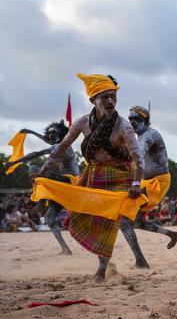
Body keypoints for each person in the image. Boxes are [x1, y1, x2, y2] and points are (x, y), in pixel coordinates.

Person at [36, 73, 146, 282]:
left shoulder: (123, 125)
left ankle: (102, 268)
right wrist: (42, 171)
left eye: (113, 96)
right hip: (94, 175)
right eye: (105, 97)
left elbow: (138, 157)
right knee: (85, 218)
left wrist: (137, 183)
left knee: (108, 221)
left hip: (121, 175)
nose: (111, 101)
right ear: (92, 100)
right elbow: (61, 148)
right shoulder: (82, 123)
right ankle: (106, 263)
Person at [117, 106, 177, 269]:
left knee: (124, 218)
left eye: (137, 119)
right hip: (146, 182)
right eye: (130, 119)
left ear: (145, 121)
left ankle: (141, 262)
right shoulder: (136, 137)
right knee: (137, 222)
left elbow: (140, 151)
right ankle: (172, 234)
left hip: (157, 183)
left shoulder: (149, 135)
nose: (133, 122)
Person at [5, 121, 79, 254]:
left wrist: (15, 161)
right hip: (63, 187)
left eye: (54, 134)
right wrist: (31, 132)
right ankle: (65, 249)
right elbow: (47, 140)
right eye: (49, 134)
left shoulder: (63, 146)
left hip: (71, 183)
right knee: (50, 218)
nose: (50, 136)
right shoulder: (58, 144)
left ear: (61, 135)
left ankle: (40, 198)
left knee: (34, 168)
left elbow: (38, 153)